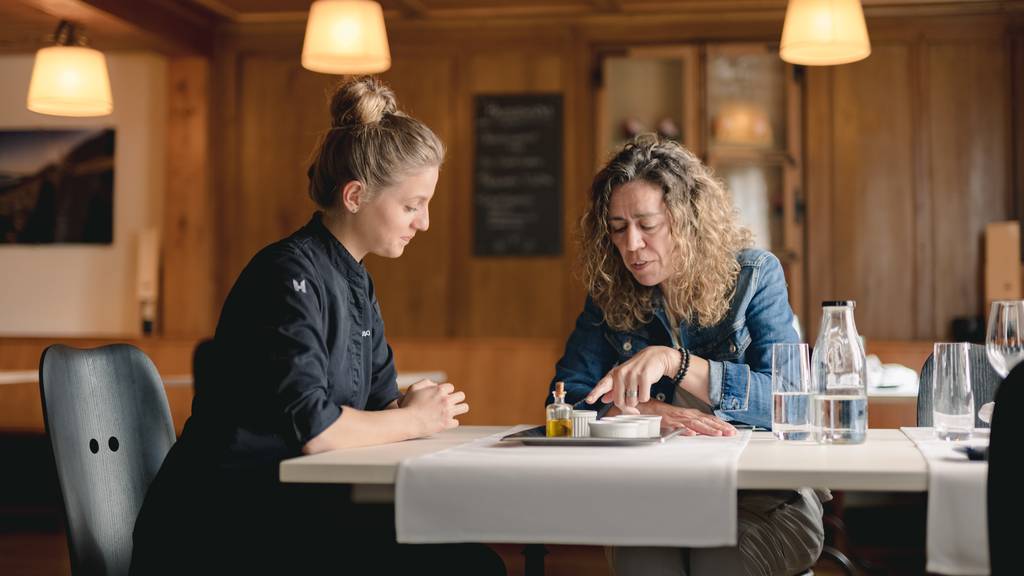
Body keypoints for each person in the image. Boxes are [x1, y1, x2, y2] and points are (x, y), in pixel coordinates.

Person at [131, 76, 504, 575]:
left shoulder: (357, 282)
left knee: (468, 557)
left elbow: (376, 407)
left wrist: (408, 409)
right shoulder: (286, 275)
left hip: (288, 509)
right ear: (354, 196)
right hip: (223, 525)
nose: (425, 223)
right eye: (413, 206)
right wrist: (414, 419)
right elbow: (319, 432)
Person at [550, 134, 825, 575]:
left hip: (763, 497)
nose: (632, 245)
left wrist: (676, 363)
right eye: (618, 228)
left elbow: (793, 400)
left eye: (647, 225)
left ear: (687, 219)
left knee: (716, 559)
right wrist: (650, 411)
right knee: (643, 560)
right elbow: (562, 400)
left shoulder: (755, 274)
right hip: (656, 492)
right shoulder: (608, 295)